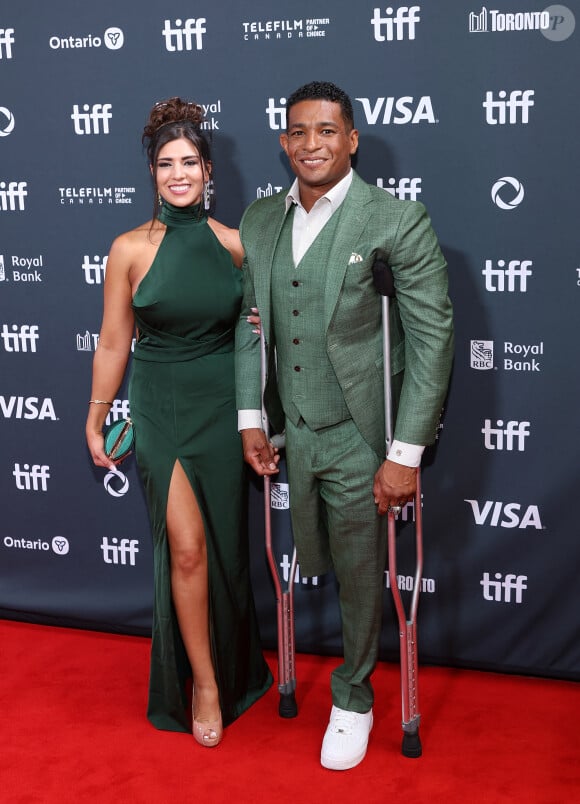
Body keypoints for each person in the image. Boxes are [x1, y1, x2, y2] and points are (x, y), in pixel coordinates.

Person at [235, 81, 453, 770]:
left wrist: (406, 453)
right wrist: (250, 417)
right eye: (299, 132)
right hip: (293, 432)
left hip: (365, 433)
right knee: (309, 560)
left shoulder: (394, 219)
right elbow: (251, 328)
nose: (312, 144)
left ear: (352, 139)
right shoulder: (260, 220)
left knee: (363, 573)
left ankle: (353, 697)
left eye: (327, 131)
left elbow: (431, 339)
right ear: (283, 142)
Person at [86, 97, 272, 748]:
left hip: (223, 406)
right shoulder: (130, 249)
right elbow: (114, 341)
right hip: (161, 407)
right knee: (187, 551)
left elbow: (257, 338)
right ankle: (205, 685)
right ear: (152, 173)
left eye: (189, 162)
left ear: (209, 170)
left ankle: (236, 663)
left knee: (224, 551)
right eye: (166, 164)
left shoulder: (236, 246)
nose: (178, 174)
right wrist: (97, 415)